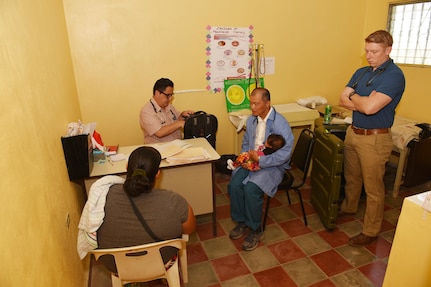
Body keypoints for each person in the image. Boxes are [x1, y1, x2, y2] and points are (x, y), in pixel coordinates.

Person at [338, 30, 405, 247]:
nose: (369, 55)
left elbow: (369, 108)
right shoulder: (361, 72)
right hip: (354, 133)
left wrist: (354, 97)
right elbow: (342, 99)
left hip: (375, 139)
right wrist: (361, 100)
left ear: (388, 50)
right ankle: (349, 207)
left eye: (374, 51)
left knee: (373, 188)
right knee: (352, 177)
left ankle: (371, 230)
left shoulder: (394, 76)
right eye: (367, 50)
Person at [96, 146, 196, 272]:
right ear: (158, 174)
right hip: (160, 262)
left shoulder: (103, 195)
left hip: (115, 265)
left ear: (127, 167)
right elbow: (189, 229)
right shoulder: (173, 201)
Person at [228, 87, 294, 251]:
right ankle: (241, 221)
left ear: (267, 103)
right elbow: (245, 142)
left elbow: (285, 154)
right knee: (234, 185)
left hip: (272, 165)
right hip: (252, 160)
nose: (252, 107)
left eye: (256, 104)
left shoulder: (280, 124)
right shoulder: (251, 120)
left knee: (251, 189)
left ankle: (255, 228)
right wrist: (245, 157)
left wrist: (262, 161)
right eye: (251, 103)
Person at [140, 78, 194, 143]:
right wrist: (179, 124)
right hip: (160, 149)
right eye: (168, 95)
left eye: (171, 95)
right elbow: (159, 132)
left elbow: (176, 119)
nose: (170, 98)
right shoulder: (146, 111)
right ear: (157, 93)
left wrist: (182, 115)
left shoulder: (169, 106)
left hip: (177, 145)